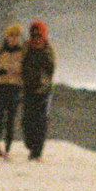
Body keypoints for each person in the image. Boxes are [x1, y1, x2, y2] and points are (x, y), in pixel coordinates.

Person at [19, 20, 56, 160]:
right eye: (33, 35)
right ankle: (31, 145)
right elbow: (20, 64)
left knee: (40, 121)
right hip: (28, 88)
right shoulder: (26, 47)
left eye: (38, 35)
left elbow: (51, 69)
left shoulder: (48, 49)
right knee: (27, 120)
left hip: (43, 90)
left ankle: (37, 151)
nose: (36, 38)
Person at [0, 25, 25, 158]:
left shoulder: (22, 52)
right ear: (6, 36)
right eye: (11, 36)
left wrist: (19, 73)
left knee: (11, 120)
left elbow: (26, 71)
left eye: (16, 36)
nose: (13, 39)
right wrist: (4, 71)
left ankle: (7, 148)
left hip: (14, 88)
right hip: (0, 88)